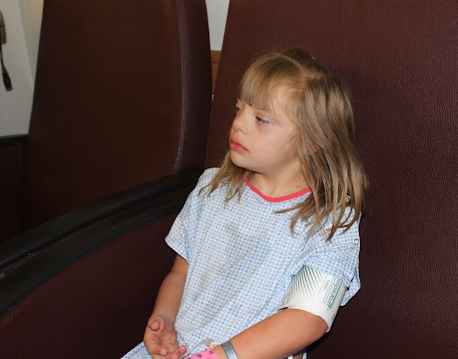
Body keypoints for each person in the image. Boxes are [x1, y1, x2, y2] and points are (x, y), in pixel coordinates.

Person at [122, 48, 367, 359]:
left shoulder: (329, 220)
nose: (238, 123)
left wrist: (218, 356)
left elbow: (308, 319)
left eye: (261, 119)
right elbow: (181, 273)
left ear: (312, 140)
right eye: (239, 109)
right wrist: (164, 322)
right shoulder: (212, 188)